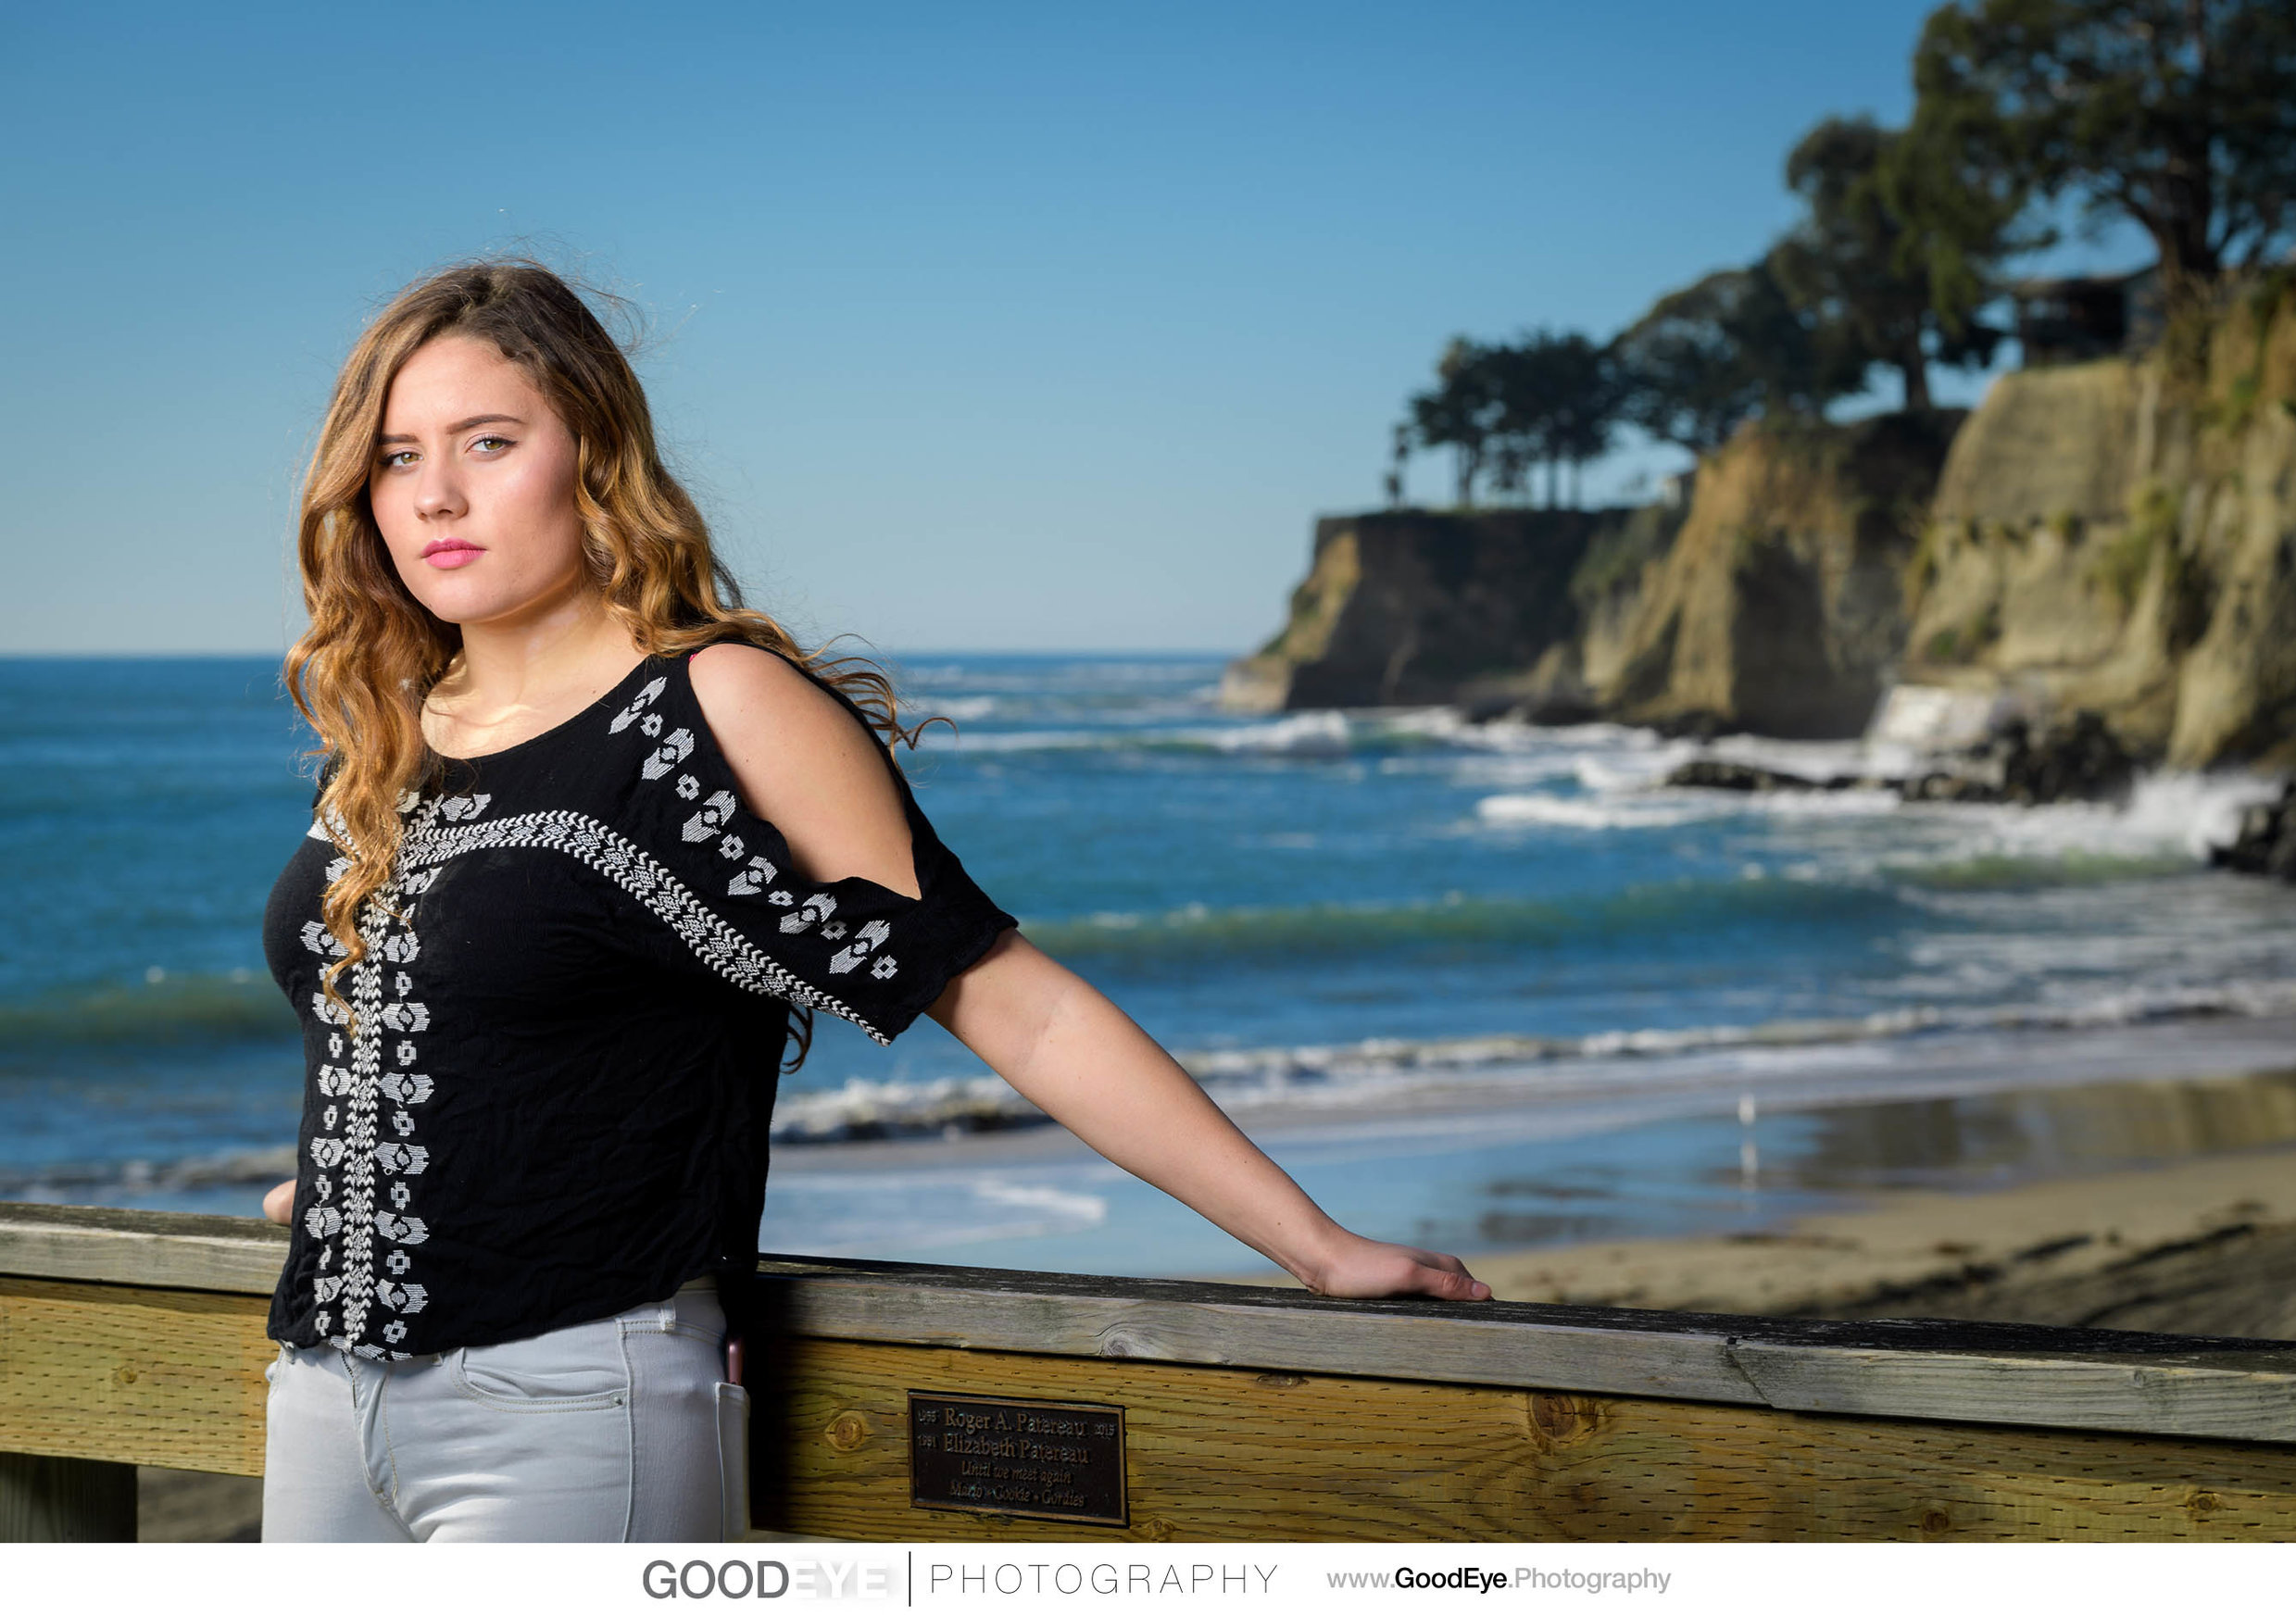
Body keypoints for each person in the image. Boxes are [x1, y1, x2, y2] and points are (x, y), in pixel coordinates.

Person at [255, 259, 1488, 1544]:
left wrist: (1313, 1245)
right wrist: (352, 1180)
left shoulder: (718, 707)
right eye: (397, 457)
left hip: (565, 1401)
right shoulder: (394, 728)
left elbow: (1015, 1006)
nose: (435, 494)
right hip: (322, 1395)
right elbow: (446, 1011)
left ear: (594, 452)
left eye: (488, 442)